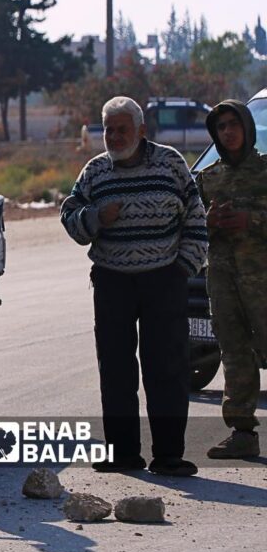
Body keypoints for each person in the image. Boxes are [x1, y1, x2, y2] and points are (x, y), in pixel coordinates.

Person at [61, 96, 207, 477]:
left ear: (142, 131)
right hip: (112, 281)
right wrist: (94, 217)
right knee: (115, 369)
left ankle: (169, 455)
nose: (113, 136)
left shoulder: (171, 164)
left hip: (164, 279)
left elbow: (196, 218)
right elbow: (70, 217)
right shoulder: (95, 172)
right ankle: (124, 453)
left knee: (167, 368)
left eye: (122, 128)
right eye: (108, 128)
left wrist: (181, 270)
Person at [198, 99, 267, 459]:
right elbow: (190, 226)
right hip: (223, 279)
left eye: (233, 124)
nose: (228, 131)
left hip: (262, 280)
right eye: (221, 126)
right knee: (235, 353)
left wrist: (251, 220)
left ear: (247, 127)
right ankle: (242, 433)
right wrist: (207, 222)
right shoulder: (208, 178)